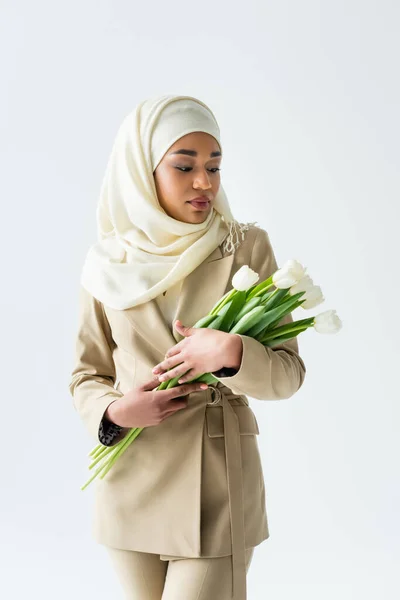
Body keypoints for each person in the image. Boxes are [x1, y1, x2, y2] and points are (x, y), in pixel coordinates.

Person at [69, 94, 307, 600]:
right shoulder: (106, 261)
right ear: (142, 171)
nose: (205, 183)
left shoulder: (245, 245)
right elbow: (85, 373)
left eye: (214, 167)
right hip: (130, 480)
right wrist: (116, 412)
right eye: (185, 167)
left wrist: (231, 353)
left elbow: (289, 373)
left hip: (216, 484)